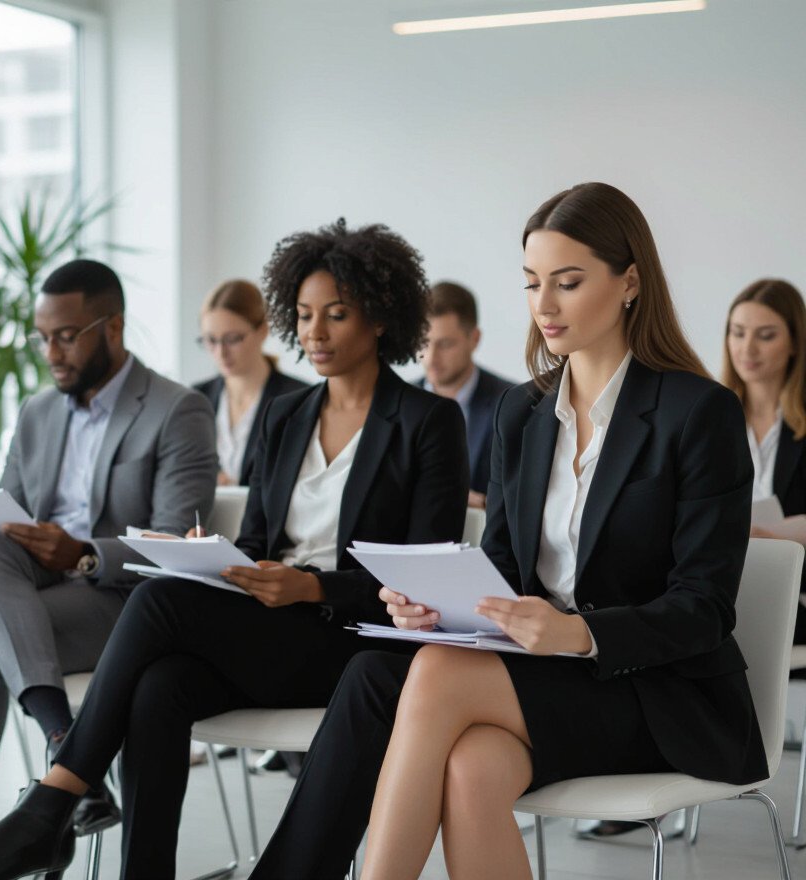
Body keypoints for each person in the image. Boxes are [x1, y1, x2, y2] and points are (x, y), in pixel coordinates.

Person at [0, 218, 470, 880]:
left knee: (158, 603)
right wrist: (216, 557)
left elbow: (423, 576)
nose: (316, 333)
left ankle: (52, 803)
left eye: (337, 315)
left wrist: (314, 586)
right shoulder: (287, 416)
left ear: (380, 318)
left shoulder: (427, 422)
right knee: (159, 687)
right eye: (304, 316)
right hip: (276, 625)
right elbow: (260, 542)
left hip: (355, 640)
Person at [248, 182, 767, 880]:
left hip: (657, 692)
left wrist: (576, 633)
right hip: (545, 678)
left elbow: (704, 608)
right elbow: (498, 571)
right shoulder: (522, 415)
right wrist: (440, 609)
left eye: (567, 282)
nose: (543, 305)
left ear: (629, 281)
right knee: (465, 763)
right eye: (531, 283)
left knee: (431, 674)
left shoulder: (697, 412)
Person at [0, 259, 216, 880]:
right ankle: (70, 758)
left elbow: (177, 547)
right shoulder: (38, 412)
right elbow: (4, 518)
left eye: (66, 337)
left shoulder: (178, 410)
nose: (51, 353)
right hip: (32, 598)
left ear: (112, 327)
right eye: (42, 337)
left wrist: (84, 553)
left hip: (126, 606)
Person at [724, 278, 806, 642]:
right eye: (738, 333)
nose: (748, 349)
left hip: (793, 590)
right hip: (723, 586)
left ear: (795, 343)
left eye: (766, 335)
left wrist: (772, 536)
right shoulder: (707, 419)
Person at [193, 279, 308, 485]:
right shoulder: (196, 397)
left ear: (263, 330)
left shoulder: (299, 399)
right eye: (211, 340)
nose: (220, 352)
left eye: (232, 339)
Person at [418, 281, 514, 508]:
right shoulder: (396, 403)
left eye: (445, 344)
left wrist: (484, 504)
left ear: (474, 339)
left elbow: (525, 499)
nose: (430, 358)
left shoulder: (513, 403)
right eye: (424, 342)